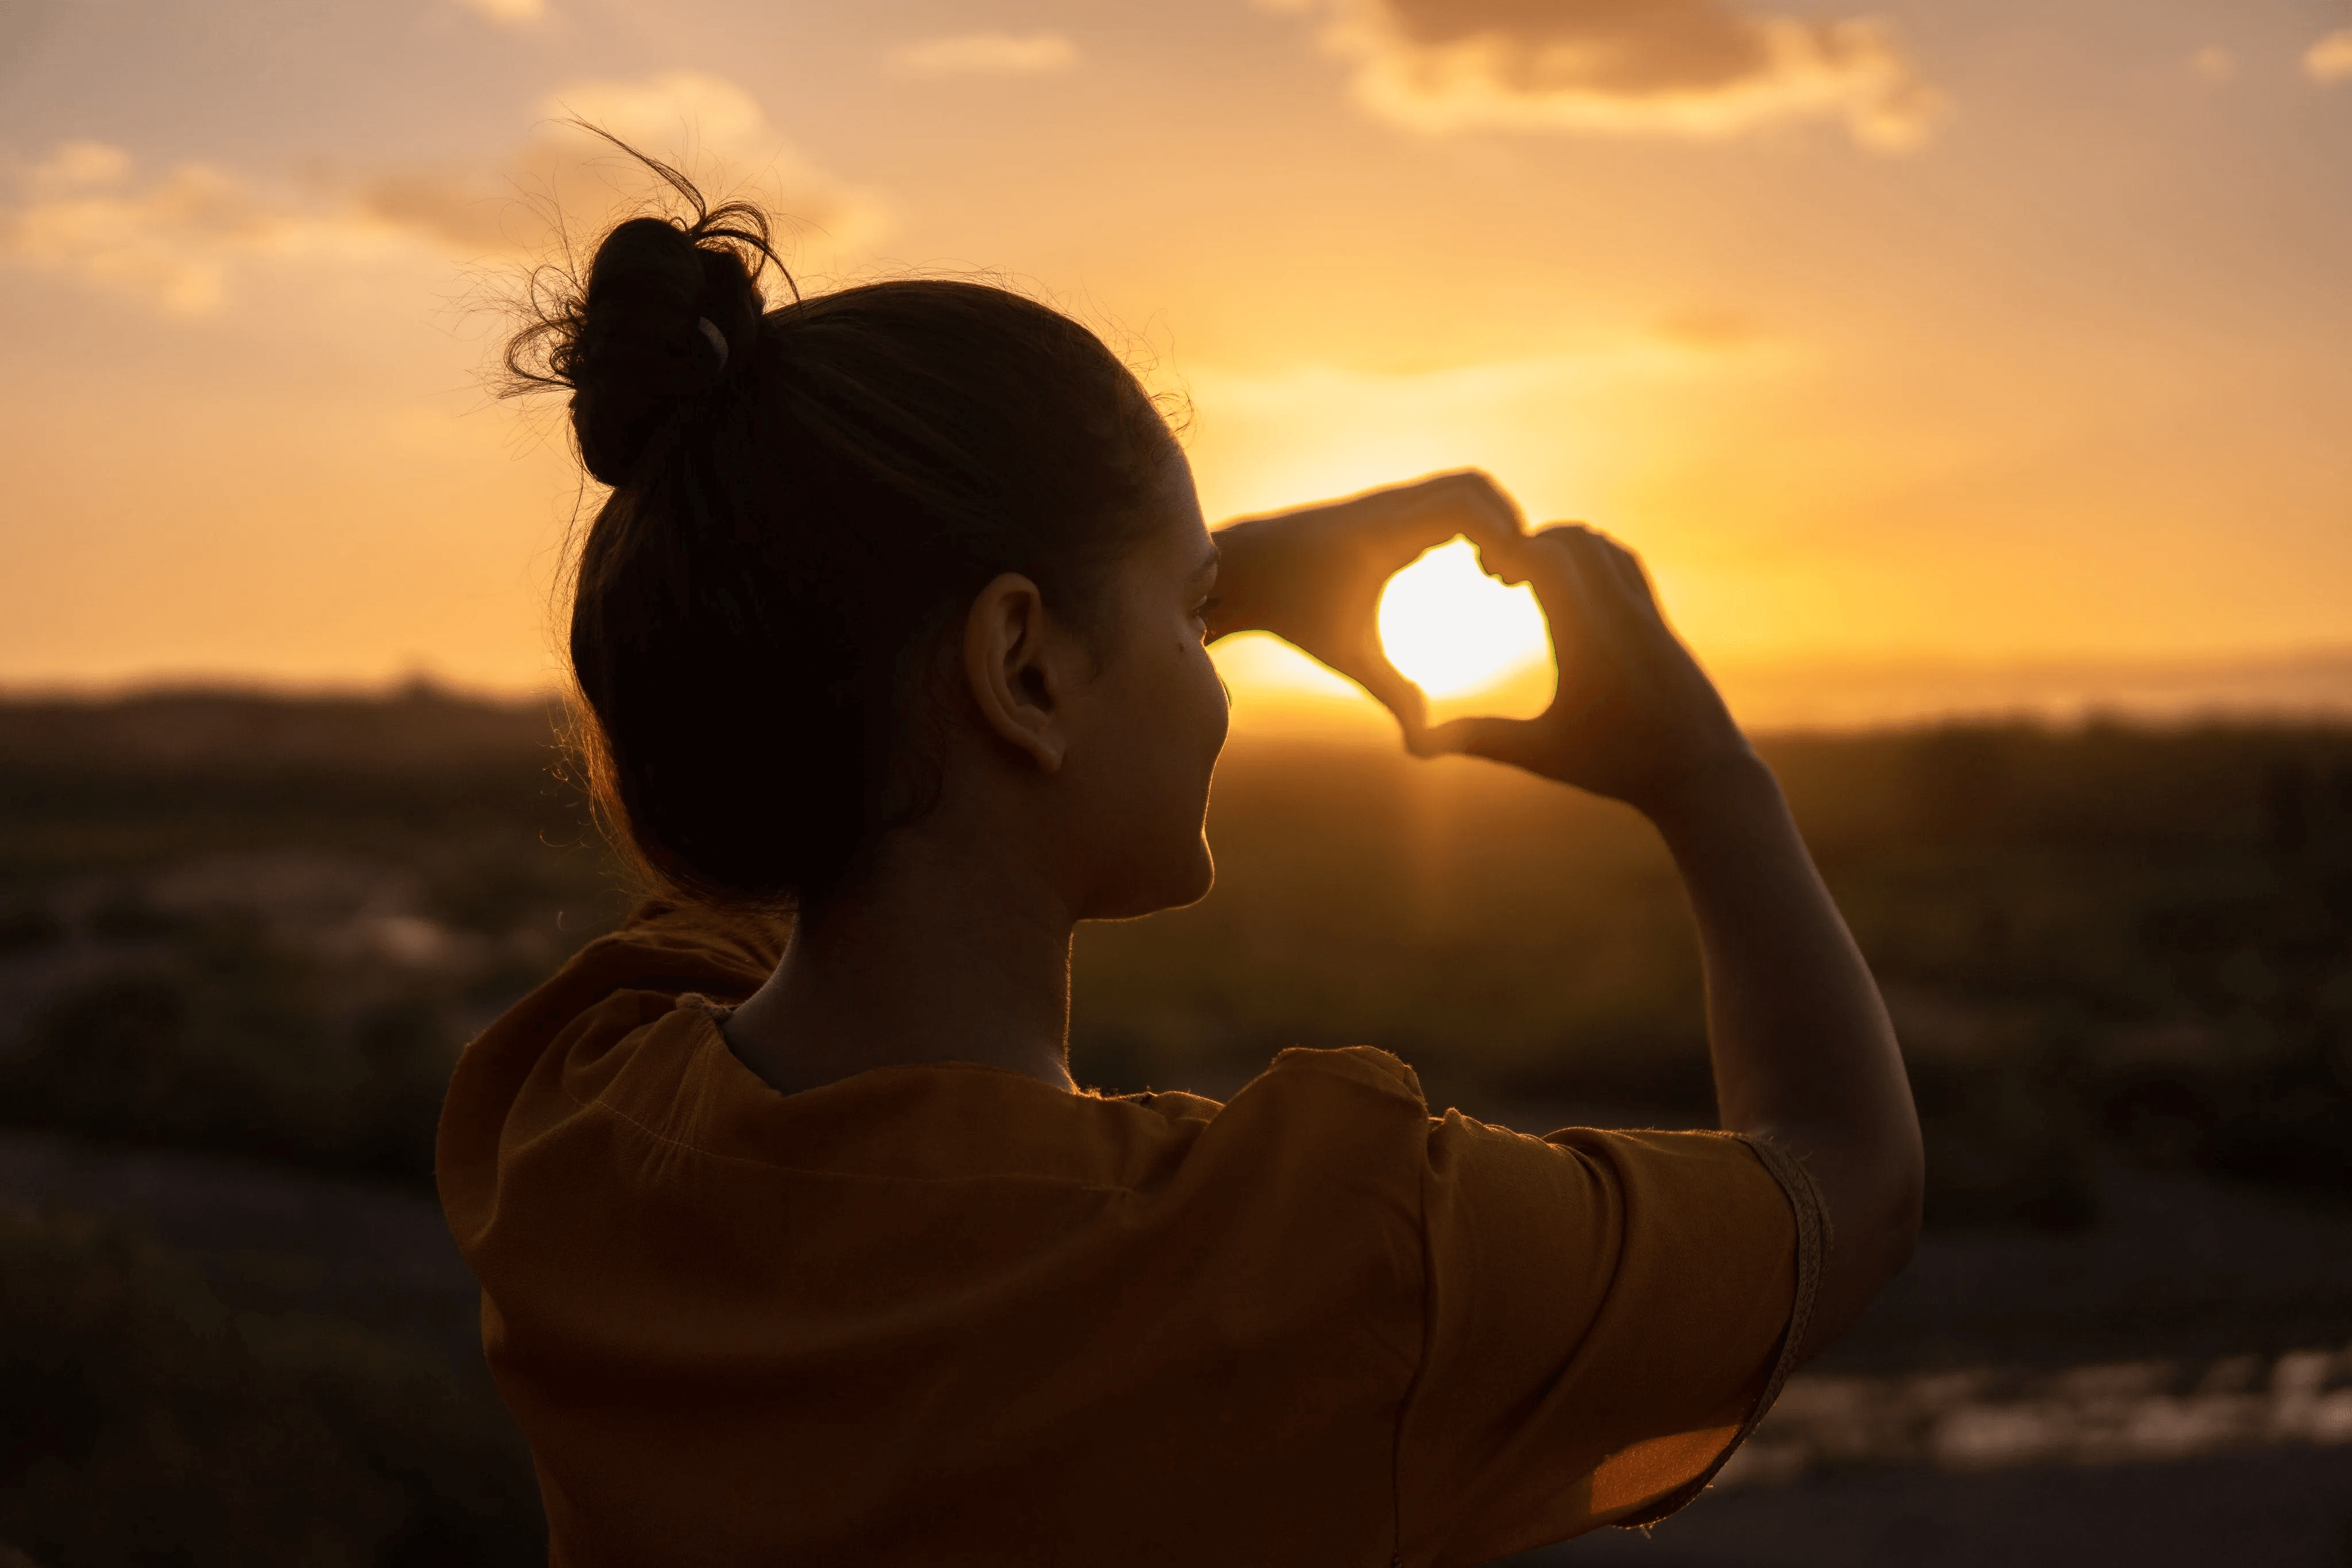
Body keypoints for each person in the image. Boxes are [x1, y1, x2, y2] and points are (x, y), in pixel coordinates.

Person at [438, 159, 1922, 1568]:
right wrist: (1709, 782)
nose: (1212, 671)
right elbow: (1845, 1183)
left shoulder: (575, 1117)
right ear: (1021, 666)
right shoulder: (1318, 1260)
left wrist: (1173, 587)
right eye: (1189, 610)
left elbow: (794, 764)